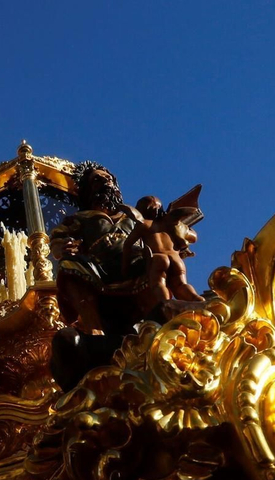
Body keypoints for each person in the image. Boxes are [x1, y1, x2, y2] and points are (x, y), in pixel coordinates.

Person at [49, 163, 203, 389]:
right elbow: (58, 241)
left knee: (159, 265)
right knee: (69, 266)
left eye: (108, 179)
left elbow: (165, 228)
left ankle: (166, 310)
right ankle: (94, 329)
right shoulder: (80, 219)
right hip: (100, 270)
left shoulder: (133, 213)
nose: (106, 182)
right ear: (87, 190)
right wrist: (63, 248)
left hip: (137, 262)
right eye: (97, 180)